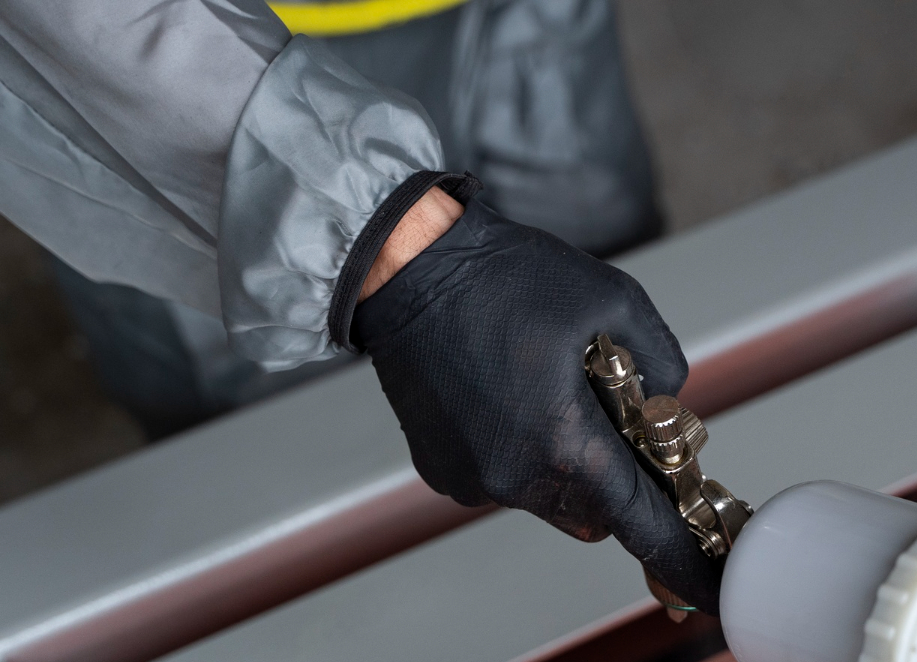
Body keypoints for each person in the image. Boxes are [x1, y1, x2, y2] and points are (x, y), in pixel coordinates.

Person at [0, 0, 721, 612]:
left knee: (588, 363)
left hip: (519, 21)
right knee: (254, 478)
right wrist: (391, 246)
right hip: (174, 69)